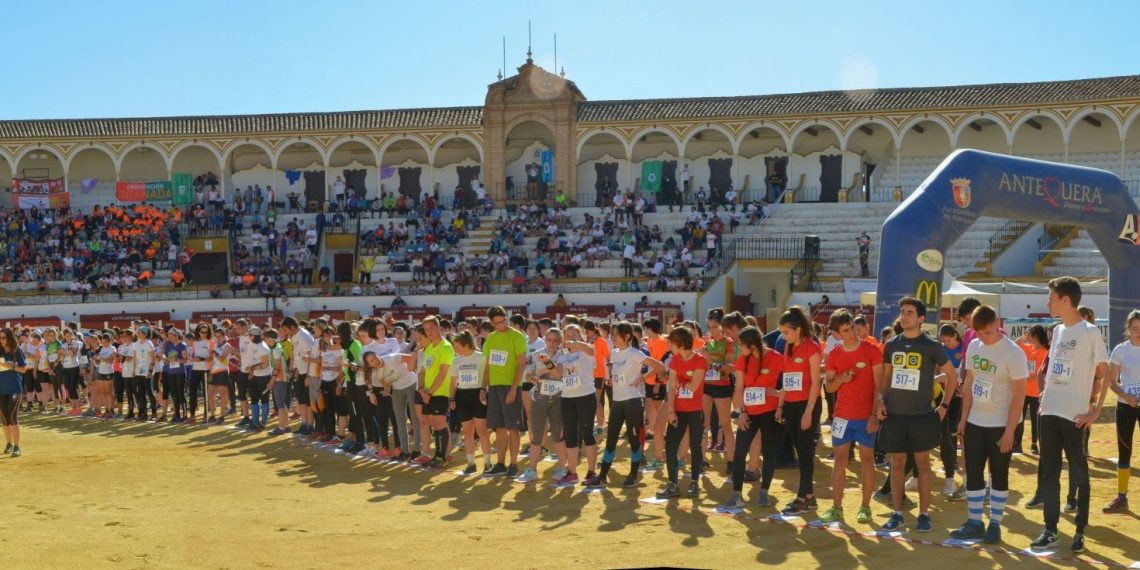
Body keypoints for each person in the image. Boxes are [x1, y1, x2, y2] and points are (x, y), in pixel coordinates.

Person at [1030, 277, 1109, 554]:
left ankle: (1080, 530)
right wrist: (1044, 400)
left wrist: (1096, 410)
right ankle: (1050, 529)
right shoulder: (1058, 331)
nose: (1047, 302)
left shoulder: (1090, 332)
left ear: (1066, 300)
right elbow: (1054, 369)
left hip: (1075, 415)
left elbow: (1105, 371)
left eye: (1051, 297)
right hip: (1049, 412)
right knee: (1049, 474)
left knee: (1079, 474)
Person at [876, 296, 959, 532]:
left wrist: (943, 406)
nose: (904, 316)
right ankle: (897, 513)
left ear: (921, 318)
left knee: (923, 465)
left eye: (910, 312)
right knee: (897, 463)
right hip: (895, 415)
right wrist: (880, 400)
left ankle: (924, 514)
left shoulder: (932, 346)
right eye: (902, 311)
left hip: (922, 416)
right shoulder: (892, 345)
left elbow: (952, 377)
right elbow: (887, 378)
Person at [950, 305, 1029, 545]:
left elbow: (1019, 396)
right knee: (973, 472)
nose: (983, 337)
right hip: (975, 422)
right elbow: (969, 383)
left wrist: (1009, 431)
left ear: (997, 324)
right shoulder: (974, 346)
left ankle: (994, 524)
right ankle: (974, 522)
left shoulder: (1013, 353)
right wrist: (963, 419)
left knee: (999, 474)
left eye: (987, 332)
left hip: (999, 425)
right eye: (978, 333)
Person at [816, 310, 884, 525]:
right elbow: (828, 385)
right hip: (842, 417)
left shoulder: (871, 350)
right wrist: (842, 380)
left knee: (867, 461)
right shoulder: (835, 354)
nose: (853, 333)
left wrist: (874, 414)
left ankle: (865, 507)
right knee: (840, 462)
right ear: (837, 333)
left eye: (853, 327)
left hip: (865, 417)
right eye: (846, 330)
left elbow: (879, 386)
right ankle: (837, 508)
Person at [717, 326, 786, 511]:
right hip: (749, 413)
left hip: (770, 412)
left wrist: (780, 396)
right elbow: (739, 387)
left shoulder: (775, 357)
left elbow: (790, 378)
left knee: (769, 452)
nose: (739, 349)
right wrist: (741, 412)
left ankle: (764, 491)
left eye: (741, 345)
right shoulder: (742, 361)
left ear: (753, 345)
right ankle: (736, 494)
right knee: (740, 451)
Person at [592, 322, 664, 488]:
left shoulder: (634, 353)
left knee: (633, 439)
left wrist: (642, 378)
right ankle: (602, 476)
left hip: (633, 401)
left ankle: (633, 475)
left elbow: (659, 366)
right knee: (611, 439)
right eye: (612, 334)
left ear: (627, 336)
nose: (613, 337)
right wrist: (612, 379)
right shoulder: (615, 353)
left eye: (616, 334)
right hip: (617, 402)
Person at [777, 307, 824, 516]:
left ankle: (802, 497)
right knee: (800, 449)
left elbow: (816, 383)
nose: (783, 336)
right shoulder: (788, 347)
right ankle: (810, 497)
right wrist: (780, 404)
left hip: (808, 404)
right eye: (782, 332)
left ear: (797, 330)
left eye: (786, 332)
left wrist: (809, 411)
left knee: (805, 451)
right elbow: (787, 379)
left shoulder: (811, 348)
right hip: (791, 404)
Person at [656, 327, 708, 499]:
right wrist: (670, 410)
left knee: (695, 446)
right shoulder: (675, 360)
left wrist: (680, 383)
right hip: (678, 409)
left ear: (680, 343)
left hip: (695, 410)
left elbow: (694, 386)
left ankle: (694, 482)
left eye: (671, 342)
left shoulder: (700, 360)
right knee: (670, 446)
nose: (669, 345)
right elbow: (671, 386)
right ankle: (673, 483)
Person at [481, 307, 528, 477]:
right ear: (492, 323)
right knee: (499, 428)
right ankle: (500, 463)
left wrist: (514, 389)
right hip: (494, 387)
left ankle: (513, 464)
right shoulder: (491, 338)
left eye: (503, 321)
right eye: (497, 322)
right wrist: (482, 387)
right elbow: (487, 366)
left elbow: (521, 364)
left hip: (511, 387)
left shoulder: (517, 336)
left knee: (513, 427)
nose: (501, 325)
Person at [519, 328, 568, 483]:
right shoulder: (536, 354)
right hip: (539, 398)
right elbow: (527, 374)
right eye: (549, 339)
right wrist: (532, 377)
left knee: (557, 435)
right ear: (545, 339)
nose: (552, 343)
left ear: (560, 341)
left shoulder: (564, 355)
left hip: (558, 398)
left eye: (555, 340)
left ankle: (561, 468)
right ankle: (531, 469)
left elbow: (558, 373)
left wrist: (541, 371)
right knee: (536, 435)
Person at [1104, 309, 1140, 513]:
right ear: (1128, 329)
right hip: (1125, 406)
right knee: (1124, 450)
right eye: (1134, 328)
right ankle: (1121, 497)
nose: (1138, 332)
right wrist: (1126, 397)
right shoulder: (1120, 350)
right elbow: (1111, 381)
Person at [555, 324, 597, 485]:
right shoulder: (562, 354)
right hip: (567, 397)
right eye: (568, 334)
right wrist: (547, 365)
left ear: (581, 335)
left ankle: (591, 472)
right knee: (570, 436)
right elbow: (558, 373)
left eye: (575, 334)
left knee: (587, 433)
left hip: (585, 395)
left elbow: (591, 351)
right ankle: (572, 472)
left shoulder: (586, 349)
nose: (572, 336)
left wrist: (576, 344)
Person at [449, 331, 492, 475]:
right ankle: (471, 463)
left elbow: (488, 376)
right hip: (462, 396)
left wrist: (483, 390)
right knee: (467, 432)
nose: (455, 349)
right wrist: (452, 398)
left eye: (457, 346)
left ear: (466, 344)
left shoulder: (481, 358)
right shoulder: (456, 360)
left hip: (478, 394)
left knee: (482, 432)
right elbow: (453, 382)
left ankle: (487, 463)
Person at [418, 316, 454, 469]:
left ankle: (441, 456)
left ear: (438, 327)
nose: (429, 332)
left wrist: (430, 392)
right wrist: (421, 390)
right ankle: (439, 455)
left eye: (431, 328)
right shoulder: (430, 348)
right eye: (426, 330)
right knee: (433, 423)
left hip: (439, 392)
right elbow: (422, 372)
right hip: (427, 393)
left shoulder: (446, 347)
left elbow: (443, 373)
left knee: (439, 424)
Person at [0, 328, 27, 457]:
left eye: (4, 338)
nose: (1, 340)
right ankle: (9, 444)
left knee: (13, 417)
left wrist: (11, 366)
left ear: (10, 338)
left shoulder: (17, 351)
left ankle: (17, 447)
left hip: (14, 388)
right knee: (5, 419)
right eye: (0, 338)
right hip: (1, 389)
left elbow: (24, 369)